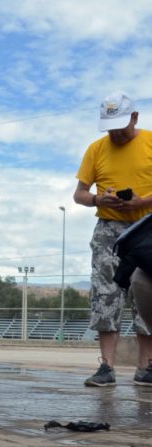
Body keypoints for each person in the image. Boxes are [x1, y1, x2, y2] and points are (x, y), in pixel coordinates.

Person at [74, 91, 152, 387]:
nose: (116, 133)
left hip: (147, 227)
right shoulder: (96, 149)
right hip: (109, 230)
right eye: (110, 127)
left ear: (135, 117)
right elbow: (79, 194)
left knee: (146, 294)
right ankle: (106, 367)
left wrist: (141, 201)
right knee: (106, 294)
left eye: (121, 125)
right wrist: (98, 199)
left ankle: (147, 367)